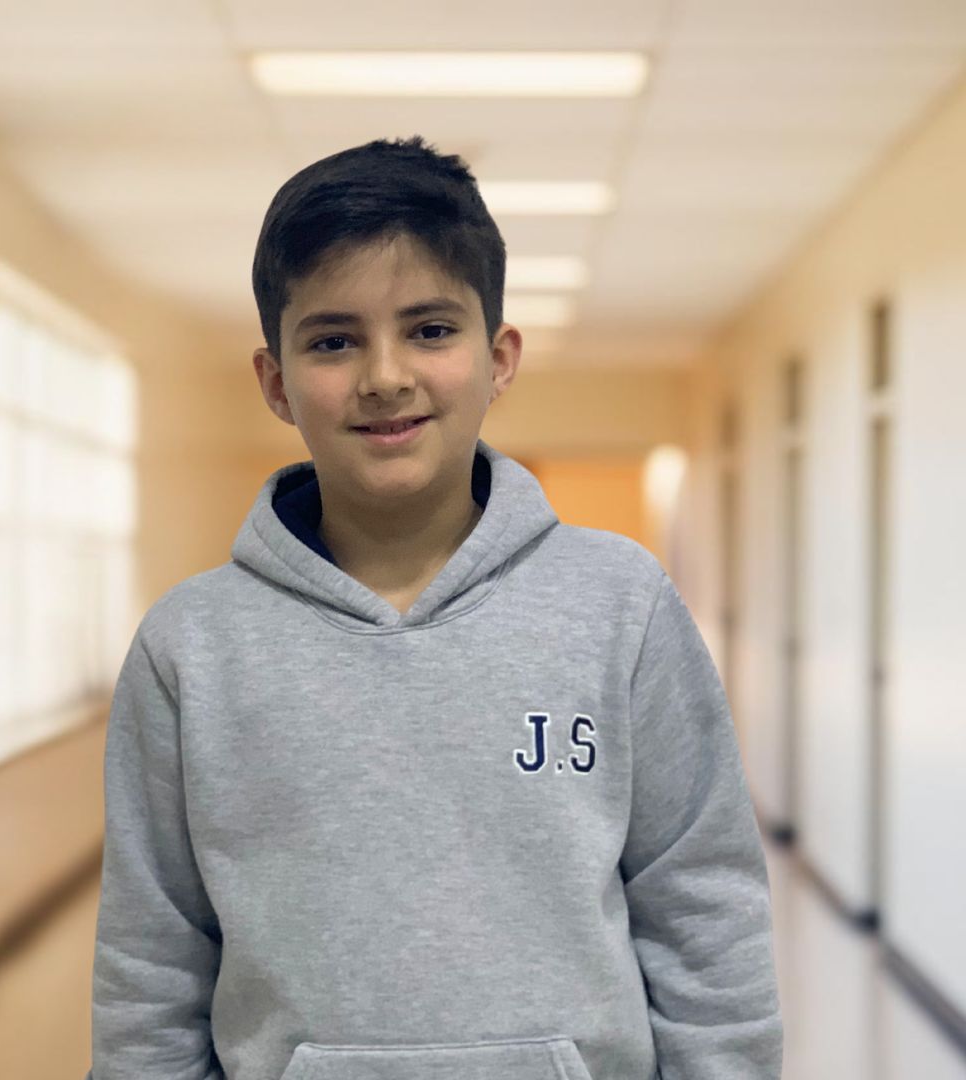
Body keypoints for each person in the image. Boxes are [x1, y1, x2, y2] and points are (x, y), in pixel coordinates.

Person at [86, 134, 784, 1080]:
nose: (385, 376)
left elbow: (704, 910)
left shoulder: (622, 606)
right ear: (276, 382)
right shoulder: (191, 646)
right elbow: (151, 962)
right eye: (333, 340)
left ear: (498, 359)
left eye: (429, 329)